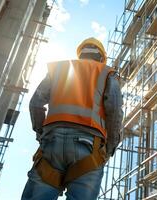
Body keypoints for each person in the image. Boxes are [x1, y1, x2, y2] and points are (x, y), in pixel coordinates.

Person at [21, 37, 123, 200]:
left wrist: (41, 133)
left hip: (51, 144)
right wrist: (109, 149)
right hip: (90, 148)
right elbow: (115, 112)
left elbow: (36, 103)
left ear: (80, 54)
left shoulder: (58, 70)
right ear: (102, 57)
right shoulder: (107, 73)